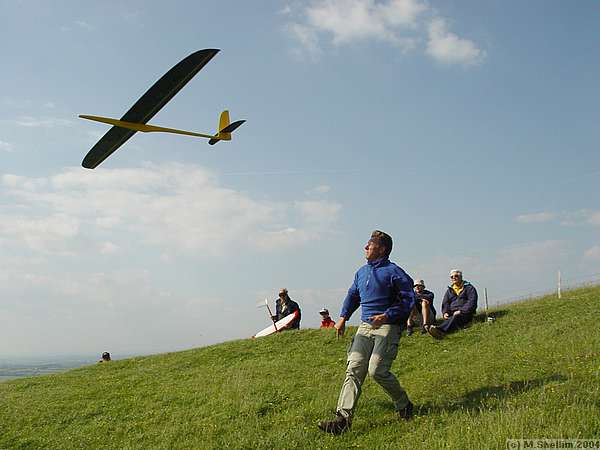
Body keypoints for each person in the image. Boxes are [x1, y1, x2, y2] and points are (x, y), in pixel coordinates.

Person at [318, 230, 415, 435]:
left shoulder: (394, 272)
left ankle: (404, 404)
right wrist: (343, 318)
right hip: (365, 326)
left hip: (388, 326)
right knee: (354, 368)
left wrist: (387, 315)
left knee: (377, 371)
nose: (365, 247)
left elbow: (408, 300)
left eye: (369, 245)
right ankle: (342, 419)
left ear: (381, 249)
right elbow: (353, 296)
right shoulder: (361, 272)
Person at [428, 270, 478, 339]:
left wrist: (461, 311)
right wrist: (445, 312)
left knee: (456, 317)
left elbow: (472, 302)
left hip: (465, 314)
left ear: (461, 277)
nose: (454, 278)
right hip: (452, 314)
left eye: (456, 276)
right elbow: (445, 303)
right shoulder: (449, 290)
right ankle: (438, 331)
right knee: (451, 318)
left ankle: (440, 330)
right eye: (452, 277)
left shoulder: (469, 288)